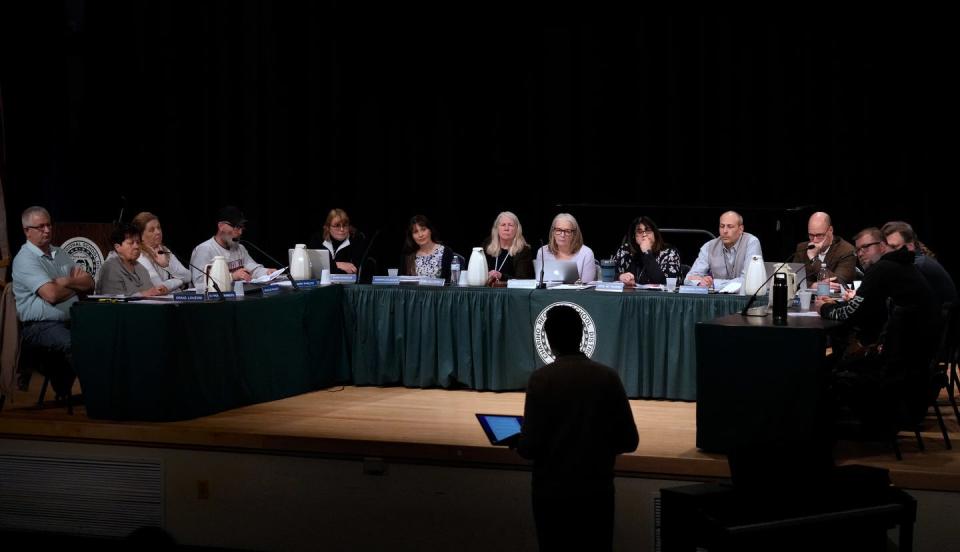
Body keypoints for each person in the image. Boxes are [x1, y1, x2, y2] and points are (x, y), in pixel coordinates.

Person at [517, 305, 639, 551]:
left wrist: (517, 442)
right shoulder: (608, 377)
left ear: (548, 340)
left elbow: (530, 447)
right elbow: (629, 441)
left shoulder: (541, 380)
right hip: (597, 491)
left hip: (551, 494)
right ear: (583, 335)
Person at [816, 227, 940, 437]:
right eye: (858, 250)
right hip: (916, 356)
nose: (861, 253)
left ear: (882, 246)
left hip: (899, 362)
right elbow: (866, 307)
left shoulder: (883, 269)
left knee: (826, 367)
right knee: (838, 357)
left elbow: (852, 313)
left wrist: (825, 308)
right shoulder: (901, 265)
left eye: (866, 247)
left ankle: (822, 430)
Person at [11, 206, 94, 393]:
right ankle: (97, 393)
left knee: (102, 334)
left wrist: (66, 281)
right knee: (76, 343)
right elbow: (52, 295)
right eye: (40, 227)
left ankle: (106, 389)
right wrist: (75, 286)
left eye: (49, 225)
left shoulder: (60, 253)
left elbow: (89, 282)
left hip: (70, 320)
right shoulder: (25, 259)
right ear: (27, 231)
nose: (47, 230)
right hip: (39, 326)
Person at [189, 206, 275, 289]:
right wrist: (231, 276)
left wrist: (267, 272)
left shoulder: (239, 248)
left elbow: (252, 269)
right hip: (211, 301)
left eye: (241, 227)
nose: (240, 232)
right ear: (221, 226)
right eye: (236, 227)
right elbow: (199, 282)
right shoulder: (205, 250)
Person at [881, 221, 957, 305]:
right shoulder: (918, 261)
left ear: (910, 246)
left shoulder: (918, 265)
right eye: (885, 248)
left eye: (893, 247)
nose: (887, 253)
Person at [685, 211, 763, 288]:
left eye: (730, 226)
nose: (725, 231)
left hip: (745, 298)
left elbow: (749, 281)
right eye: (722, 226)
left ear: (740, 229)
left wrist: (713, 283)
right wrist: (700, 282)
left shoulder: (751, 242)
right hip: (717, 299)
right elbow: (689, 279)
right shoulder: (709, 246)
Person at [96, 224, 168, 296]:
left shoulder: (142, 269)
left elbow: (150, 293)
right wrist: (145, 294)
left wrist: (158, 292)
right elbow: (112, 300)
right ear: (117, 247)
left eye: (138, 242)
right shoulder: (110, 268)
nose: (136, 246)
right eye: (131, 243)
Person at [790, 211, 857, 288]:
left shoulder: (846, 250)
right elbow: (792, 280)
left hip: (833, 299)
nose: (814, 240)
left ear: (830, 230)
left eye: (819, 235)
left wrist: (813, 259)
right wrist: (812, 285)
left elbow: (839, 282)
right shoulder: (802, 248)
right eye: (811, 235)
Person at [131, 211, 191, 292]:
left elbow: (188, 277)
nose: (158, 232)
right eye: (152, 230)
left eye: (158, 227)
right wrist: (179, 281)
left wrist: (167, 265)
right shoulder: (139, 255)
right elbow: (159, 288)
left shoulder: (164, 250)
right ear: (140, 236)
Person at [612, 216, 681, 285]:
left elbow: (667, 283)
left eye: (648, 231)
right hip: (629, 294)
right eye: (640, 232)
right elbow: (607, 273)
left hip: (659, 296)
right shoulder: (625, 250)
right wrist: (620, 276)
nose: (644, 235)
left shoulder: (670, 253)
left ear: (655, 234)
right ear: (634, 236)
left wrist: (647, 253)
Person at [536, 213, 597, 282]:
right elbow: (540, 282)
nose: (562, 235)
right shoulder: (542, 252)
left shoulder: (586, 253)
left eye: (567, 231)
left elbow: (588, 286)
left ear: (574, 234)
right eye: (558, 230)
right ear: (553, 232)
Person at [307, 208, 368, 276]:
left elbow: (357, 269)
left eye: (344, 225)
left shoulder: (356, 240)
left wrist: (331, 266)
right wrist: (338, 265)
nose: (342, 229)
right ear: (328, 227)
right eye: (337, 226)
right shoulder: (317, 239)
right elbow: (311, 265)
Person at [482, 211, 534, 282]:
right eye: (503, 225)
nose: (506, 228)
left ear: (517, 229)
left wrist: (501, 276)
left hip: (512, 292)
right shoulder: (487, 244)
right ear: (497, 229)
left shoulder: (523, 251)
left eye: (510, 225)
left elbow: (523, 280)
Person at [400, 214, 455, 279]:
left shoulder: (446, 252)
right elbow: (403, 284)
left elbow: (450, 283)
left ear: (430, 230)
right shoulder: (408, 256)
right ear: (412, 236)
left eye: (423, 229)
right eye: (415, 232)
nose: (420, 235)